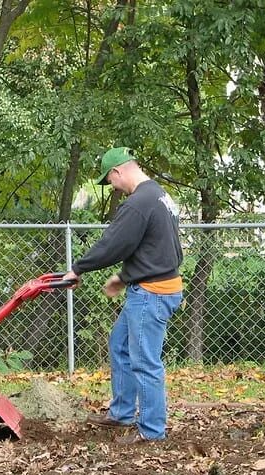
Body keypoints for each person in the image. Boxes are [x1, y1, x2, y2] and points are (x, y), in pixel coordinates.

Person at [63, 147, 183, 444]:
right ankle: (122, 413)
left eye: (110, 180)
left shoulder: (138, 203)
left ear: (117, 171)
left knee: (145, 361)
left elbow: (114, 244)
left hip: (151, 294)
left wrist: (78, 268)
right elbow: (158, 249)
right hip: (158, 285)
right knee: (119, 344)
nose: (113, 186)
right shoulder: (159, 196)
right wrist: (123, 277)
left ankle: (152, 431)